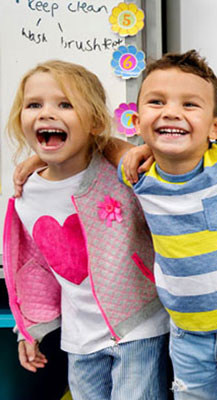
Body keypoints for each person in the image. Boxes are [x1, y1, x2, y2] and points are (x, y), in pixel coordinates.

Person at [3, 60, 169, 399]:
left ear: (94, 122)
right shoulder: (26, 195)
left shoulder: (121, 171)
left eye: (65, 104)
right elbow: (34, 271)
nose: (47, 113)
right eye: (34, 105)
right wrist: (28, 329)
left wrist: (117, 147)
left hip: (139, 326)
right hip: (79, 340)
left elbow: (164, 157)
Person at [118, 50, 217, 399]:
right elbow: (90, 146)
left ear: (216, 127)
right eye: (156, 102)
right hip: (188, 337)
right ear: (137, 120)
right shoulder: (137, 175)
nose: (171, 111)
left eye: (189, 105)